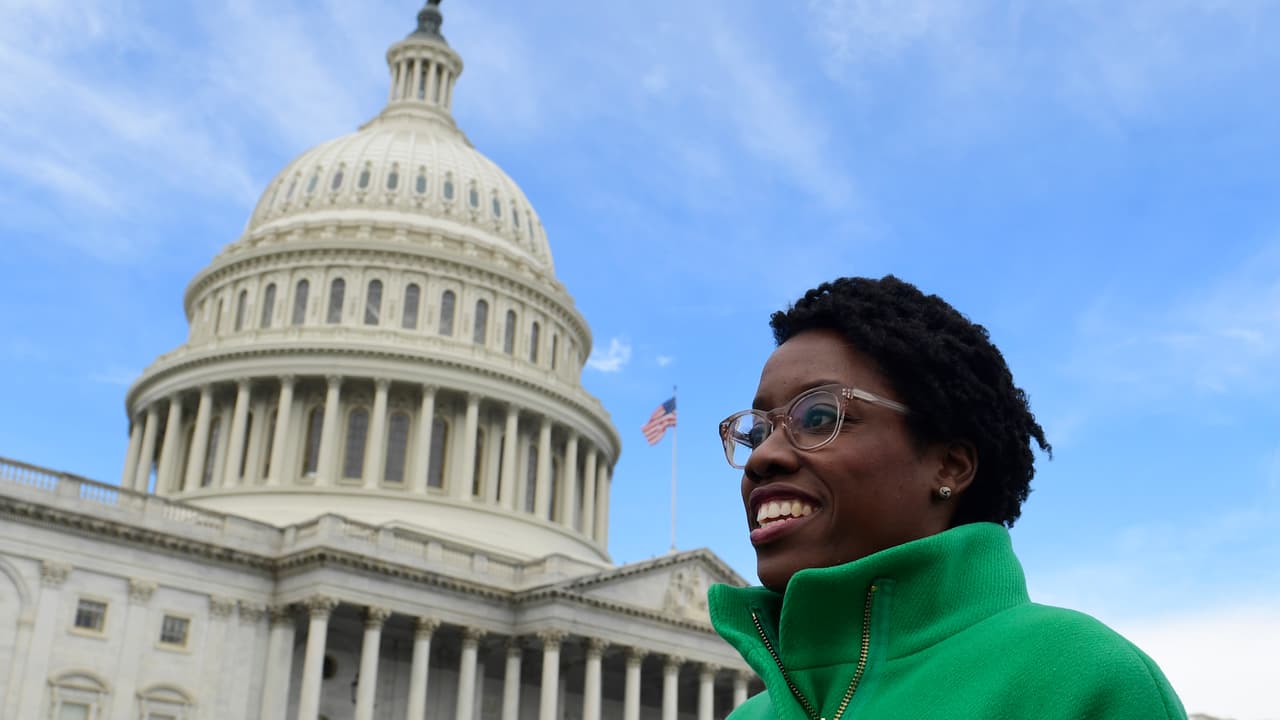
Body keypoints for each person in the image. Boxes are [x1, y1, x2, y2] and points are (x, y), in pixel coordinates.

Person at [708, 275, 1185, 719]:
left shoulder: (1084, 678)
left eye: (818, 417)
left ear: (950, 466)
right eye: (756, 432)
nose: (762, 456)